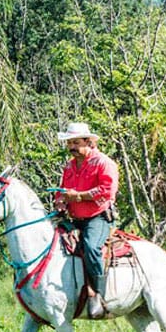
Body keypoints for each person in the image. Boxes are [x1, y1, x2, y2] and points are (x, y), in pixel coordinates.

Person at [54, 122, 119, 320]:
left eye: (75, 142)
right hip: (75, 218)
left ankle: (99, 295)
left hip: (97, 217)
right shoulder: (70, 166)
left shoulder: (104, 163)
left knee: (91, 247)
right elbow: (62, 190)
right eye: (69, 143)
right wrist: (60, 203)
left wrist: (79, 197)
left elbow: (107, 190)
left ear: (88, 141)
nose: (72, 147)